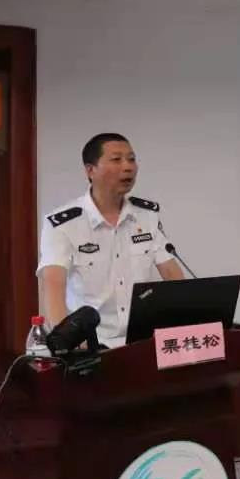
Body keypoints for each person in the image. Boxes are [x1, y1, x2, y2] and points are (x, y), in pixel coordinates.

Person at [36, 133, 184, 348]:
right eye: (116, 160)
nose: (128, 167)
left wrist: (190, 320)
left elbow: (172, 274)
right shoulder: (63, 224)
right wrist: (70, 343)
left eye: (131, 159)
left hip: (142, 342)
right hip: (92, 346)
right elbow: (53, 287)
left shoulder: (146, 215)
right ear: (90, 170)